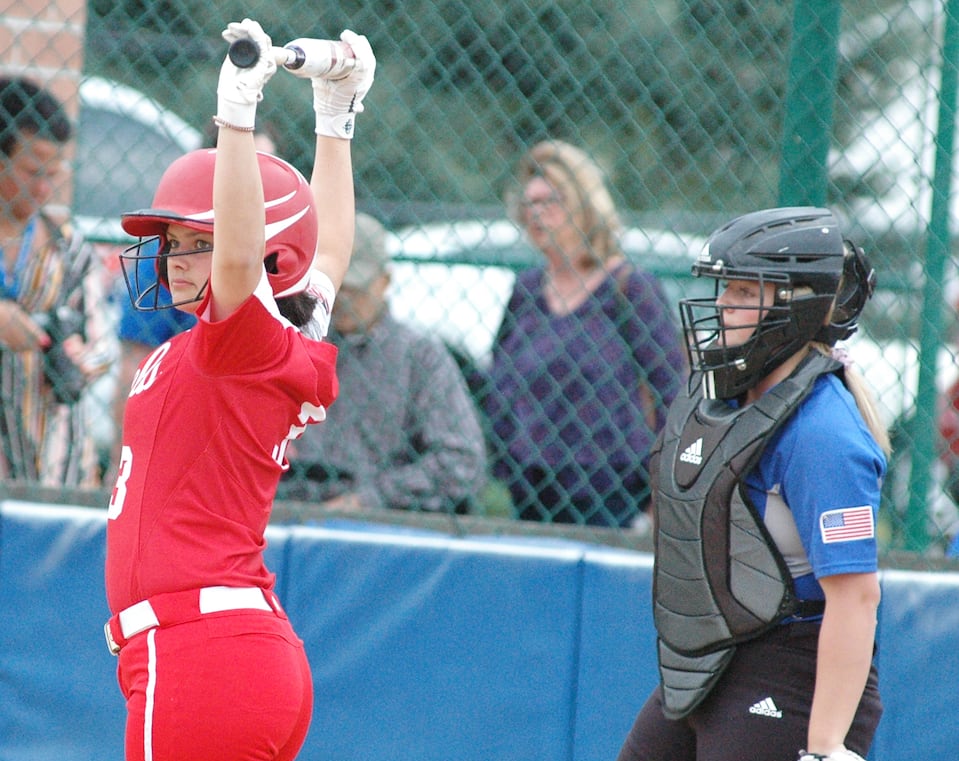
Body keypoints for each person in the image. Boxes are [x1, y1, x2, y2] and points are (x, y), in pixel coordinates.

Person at [531, 208, 891, 761]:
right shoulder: (720, 396)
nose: (721, 306)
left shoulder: (822, 426)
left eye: (743, 291)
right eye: (723, 287)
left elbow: (854, 599)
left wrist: (825, 753)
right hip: (709, 667)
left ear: (797, 304)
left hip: (793, 678)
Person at [103, 19, 374, 761]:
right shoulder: (270, 335)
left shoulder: (238, 336)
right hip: (221, 656)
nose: (178, 258)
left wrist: (238, 116)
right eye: (170, 243)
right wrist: (337, 116)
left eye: (194, 240)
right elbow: (325, 245)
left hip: (196, 656)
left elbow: (245, 264)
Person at [482, 139, 686, 529]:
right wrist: (507, 456)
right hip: (532, 488)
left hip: (611, 493)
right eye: (530, 204)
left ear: (584, 206)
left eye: (551, 201)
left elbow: (670, 394)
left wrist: (665, 493)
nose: (537, 215)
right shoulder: (526, 290)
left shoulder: (629, 288)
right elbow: (499, 380)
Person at [281, 211, 487, 514]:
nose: (342, 300)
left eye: (354, 289)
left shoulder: (418, 356)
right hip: (289, 506)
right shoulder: (294, 341)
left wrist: (369, 499)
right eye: (336, 287)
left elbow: (462, 460)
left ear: (384, 281)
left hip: (379, 520)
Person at [110, 126, 280, 468]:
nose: (257, 184)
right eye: (248, 167)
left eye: (267, 169)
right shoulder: (168, 260)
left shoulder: (283, 257)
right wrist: (122, 468)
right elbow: (134, 373)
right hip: (180, 431)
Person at [0, 76, 113, 484]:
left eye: (54, 173)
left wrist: (81, 357)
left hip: (53, 465)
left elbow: (103, 349)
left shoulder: (69, 251)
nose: (44, 188)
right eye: (32, 172)